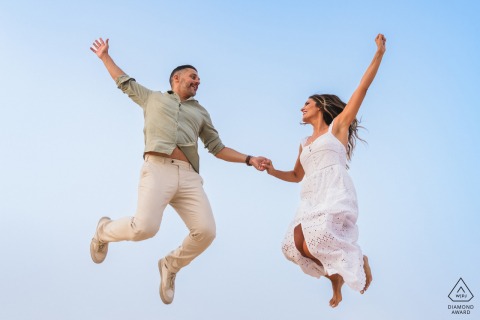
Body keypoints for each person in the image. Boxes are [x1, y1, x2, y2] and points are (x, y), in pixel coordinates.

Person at [88, 37, 267, 304]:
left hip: (188, 176)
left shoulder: (201, 113)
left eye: (199, 80)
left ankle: (170, 265)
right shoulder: (153, 99)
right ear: (176, 78)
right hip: (157, 169)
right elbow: (123, 82)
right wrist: (104, 57)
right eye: (193, 77)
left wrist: (249, 159)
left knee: (206, 232)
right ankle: (104, 231)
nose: (197, 82)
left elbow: (216, 147)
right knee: (144, 228)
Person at [261, 34, 386, 308]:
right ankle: (335, 278)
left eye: (306, 103)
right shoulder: (303, 144)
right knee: (294, 247)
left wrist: (379, 53)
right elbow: (296, 176)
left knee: (317, 238)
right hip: (311, 195)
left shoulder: (337, 129)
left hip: (334, 188)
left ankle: (357, 259)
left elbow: (361, 90)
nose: (301, 108)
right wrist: (271, 171)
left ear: (319, 106)